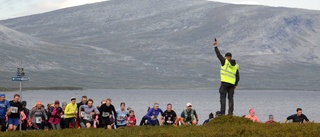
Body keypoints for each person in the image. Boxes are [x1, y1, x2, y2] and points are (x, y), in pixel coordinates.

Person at [213, 38, 240, 115]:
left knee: (223, 97)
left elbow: (218, 55)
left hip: (224, 83)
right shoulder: (236, 66)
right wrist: (235, 84)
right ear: (231, 57)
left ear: (226, 57)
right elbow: (237, 77)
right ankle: (230, 112)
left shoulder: (225, 62)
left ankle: (222, 112)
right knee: (231, 98)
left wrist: (215, 46)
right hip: (232, 84)